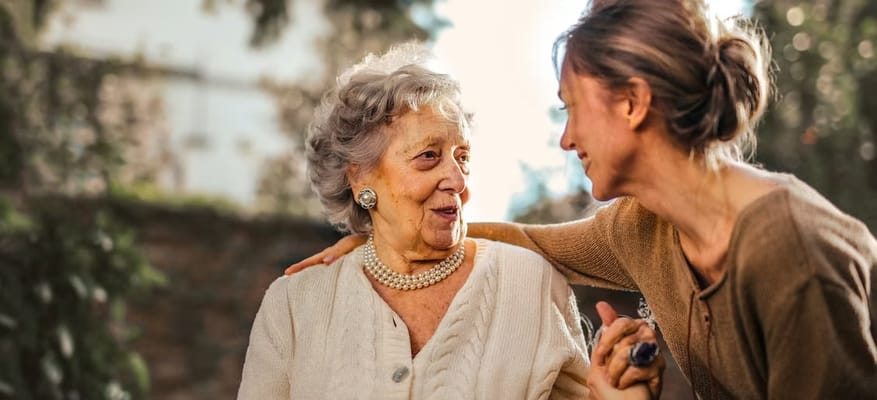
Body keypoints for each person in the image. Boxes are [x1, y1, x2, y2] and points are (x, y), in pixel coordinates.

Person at [285, 1, 877, 399]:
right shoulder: (642, 227)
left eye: (572, 106)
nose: (566, 138)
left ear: (632, 102)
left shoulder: (791, 253)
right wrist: (382, 232)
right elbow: (525, 240)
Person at [237, 43, 661, 399]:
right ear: (361, 176)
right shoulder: (295, 305)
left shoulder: (530, 283)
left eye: (463, 158)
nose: (457, 181)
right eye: (428, 157)